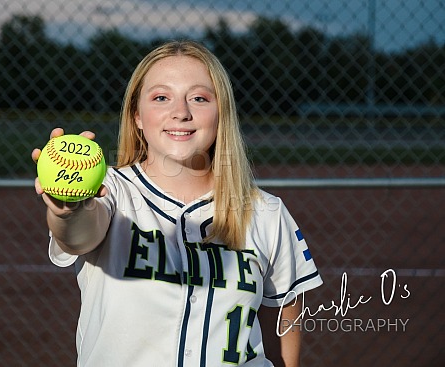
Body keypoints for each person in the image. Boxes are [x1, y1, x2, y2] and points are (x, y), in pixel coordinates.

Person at [32, 40, 323, 367]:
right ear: (138, 116)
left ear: (221, 113)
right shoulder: (110, 191)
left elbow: (284, 316)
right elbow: (79, 234)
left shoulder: (264, 211)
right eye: (161, 97)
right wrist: (67, 209)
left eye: (199, 98)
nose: (181, 112)